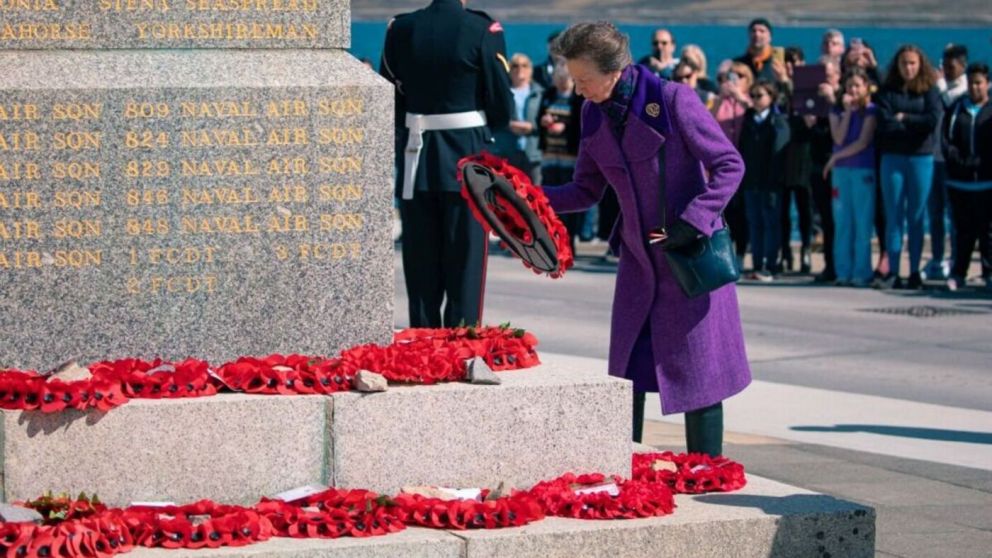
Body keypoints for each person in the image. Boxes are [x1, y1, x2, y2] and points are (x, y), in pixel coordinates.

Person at [545, 22, 751, 456]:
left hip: (689, 259)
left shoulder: (674, 100)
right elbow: (585, 190)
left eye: (584, 80)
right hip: (639, 266)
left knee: (700, 379)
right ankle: (625, 473)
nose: (579, 91)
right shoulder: (591, 112)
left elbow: (730, 164)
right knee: (628, 377)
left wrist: (694, 220)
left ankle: (706, 473)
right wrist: (527, 199)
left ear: (614, 69)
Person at [380, 0, 513, 327]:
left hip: (417, 155)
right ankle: (462, 347)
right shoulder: (483, 28)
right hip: (467, 157)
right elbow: (500, 103)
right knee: (465, 265)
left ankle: (424, 347)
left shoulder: (402, 28)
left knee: (421, 263)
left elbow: (391, 91)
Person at [874, 44, 941, 290]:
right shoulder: (887, 91)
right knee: (894, 217)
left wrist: (905, 119)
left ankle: (914, 271)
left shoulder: (929, 90)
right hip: (893, 159)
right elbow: (885, 123)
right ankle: (893, 271)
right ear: (897, 65)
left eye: (913, 63)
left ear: (920, 65)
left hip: (920, 158)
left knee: (916, 216)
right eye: (904, 63)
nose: (908, 68)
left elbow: (932, 120)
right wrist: (910, 124)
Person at [824, 67, 878, 287]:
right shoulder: (837, 111)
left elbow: (863, 142)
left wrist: (834, 158)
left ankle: (862, 271)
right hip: (842, 172)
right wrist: (846, 112)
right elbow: (838, 137)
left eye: (858, 85)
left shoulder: (871, 111)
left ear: (866, 87)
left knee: (862, 222)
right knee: (842, 222)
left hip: (862, 170)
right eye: (849, 86)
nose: (854, 90)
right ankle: (843, 271)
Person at [942, 62, 992, 291]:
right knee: (963, 232)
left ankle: (988, 273)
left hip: (986, 182)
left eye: (979, 83)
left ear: (988, 84)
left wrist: (982, 163)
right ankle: (958, 273)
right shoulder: (956, 109)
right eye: (971, 83)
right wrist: (960, 162)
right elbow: (946, 141)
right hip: (960, 182)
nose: (974, 87)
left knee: (987, 232)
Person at [924, 43, 970, 281]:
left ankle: (955, 260)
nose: (947, 71)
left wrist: (940, 84)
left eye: (952, 67)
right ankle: (936, 258)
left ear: (962, 66)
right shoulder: (938, 88)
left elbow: (950, 102)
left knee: (954, 215)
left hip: (951, 163)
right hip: (933, 159)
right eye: (944, 65)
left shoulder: (964, 90)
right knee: (934, 213)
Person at [739, 79, 790, 280]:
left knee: (771, 223)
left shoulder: (777, 121)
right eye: (753, 96)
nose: (756, 100)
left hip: (771, 183)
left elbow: (779, 151)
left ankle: (771, 264)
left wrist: (775, 179)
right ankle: (757, 264)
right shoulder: (749, 119)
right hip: (752, 180)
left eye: (760, 96)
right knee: (755, 223)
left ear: (771, 97)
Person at [538, 62, 585, 252]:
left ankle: (569, 241)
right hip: (550, 155)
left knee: (569, 201)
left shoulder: (578, 97)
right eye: (557, 79)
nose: (560, 82)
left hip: (570, 157)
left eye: (564, 79)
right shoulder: (549, 94)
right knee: (549, 200)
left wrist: (564, 128)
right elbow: (539, 116)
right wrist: (543, 121)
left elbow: (581, 123)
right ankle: (553, 242)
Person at [711, 61, 754, 267]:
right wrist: (721, 98)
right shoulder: (721, 101)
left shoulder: (750, 101)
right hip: (722, 164)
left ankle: (741, 253)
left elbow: (755, 116)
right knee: (726, 211)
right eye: (730, 76)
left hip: (746, 163)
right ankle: (724, 252)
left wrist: (740, 97)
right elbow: (707, 121)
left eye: (740, 76)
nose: (734, 80)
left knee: (743, 211)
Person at [780, 47, 815, 273]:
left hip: (805, 154)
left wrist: (791, 85)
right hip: (783, 154)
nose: (791, 67)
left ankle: (806, 250)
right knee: (783, 210)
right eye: (787, 62)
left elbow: (810, 121)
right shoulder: (779, 89)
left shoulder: (810, 87)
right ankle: (785, 253)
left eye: (795, 62)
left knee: (805, 209)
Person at [810, 56, 841, 282]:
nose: (825, 81)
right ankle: (830, 265)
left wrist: (833, 102)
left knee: (841, 220)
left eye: (829, 75)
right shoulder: (813, 103)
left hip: (842, 165)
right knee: (826, 219)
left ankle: (842, 265)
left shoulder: (844, 99)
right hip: (819, 165)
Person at [493, 53, 544, 184]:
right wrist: (509, 125)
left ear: (531, 70)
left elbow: (546, 117)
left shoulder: (540, 94)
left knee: (536, 194)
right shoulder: (502, 94)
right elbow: (494, 117)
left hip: (532, 152)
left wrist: (532, 126)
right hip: (507, 151)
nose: (520, 69)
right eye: (515, 65)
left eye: (524, 65)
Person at [734, 18, 789, 89]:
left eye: (762, 31)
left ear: (770, 37)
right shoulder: (738, 64)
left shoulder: (780, 64)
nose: (757, 34)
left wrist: (784, 78)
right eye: (753, 31)